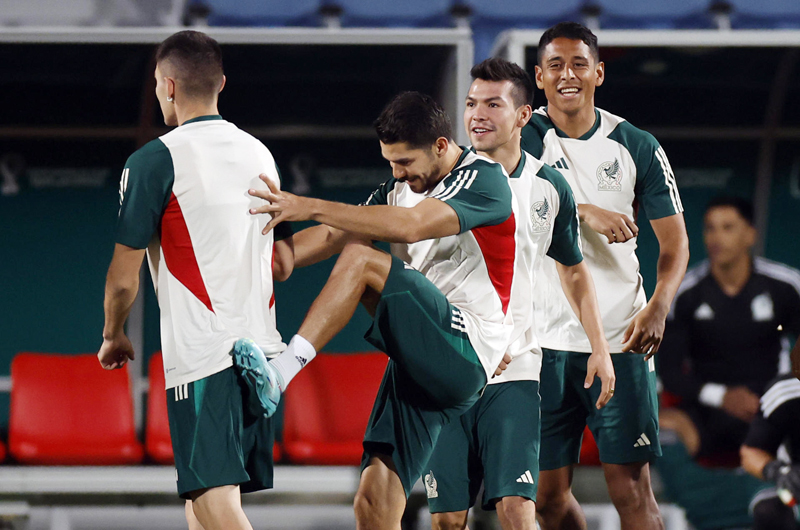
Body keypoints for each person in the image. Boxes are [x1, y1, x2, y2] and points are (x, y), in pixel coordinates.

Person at [241, 91, 603, 530]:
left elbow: (411, 228)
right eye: (390, 162)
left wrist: (309, 203)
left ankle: (279, 375)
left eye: (405, 162)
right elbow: (296, 256)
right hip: (424, 358)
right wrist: (270, 237)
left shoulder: (485, 178)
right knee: (373, 502)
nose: (397, 173)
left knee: (362, 260)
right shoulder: (396, 189)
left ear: (440, 145)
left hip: (472, 349)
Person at [97, 30, 294, 530]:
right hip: (261, 355)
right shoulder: (261, 155)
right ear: (221, 83)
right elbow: (283, 259)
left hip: (207, 356)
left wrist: (113, 334)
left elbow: (124, 278)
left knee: (211, 501)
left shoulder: (153, 161)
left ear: (166, 86)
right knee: (199, 508)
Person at [424, 58, 613, 530]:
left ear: (524, 116)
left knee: (518, 509)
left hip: (518, 372)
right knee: (448, 519)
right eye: (470, 104)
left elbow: (573, 271)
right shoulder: (435, 181)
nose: (477, 115)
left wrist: (600, 347)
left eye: (493, 104)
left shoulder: (549, 187)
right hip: (448, 373)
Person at [521, 22, 690, 530]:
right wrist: (585, 210)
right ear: (538, 76)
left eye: (577, 64)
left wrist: (659, 304)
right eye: (554, 65)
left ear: (598, 72)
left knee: (632, 491)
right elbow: (514, 202)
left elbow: (676, 242)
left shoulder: (636, 144)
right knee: (547, 499)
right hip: (544, 341)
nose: (566, 75)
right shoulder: (520, 136)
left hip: (621, 335)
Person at [655, 196, 800, 529]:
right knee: (661, 429)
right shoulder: (685, 292)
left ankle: (768, 502)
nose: (716, 237)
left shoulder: (785, 286)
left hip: (768, 407)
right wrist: (722, 397)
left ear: (749, 234)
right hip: (709, 409)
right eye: (710, 229)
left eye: (728, 227)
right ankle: (739, 507)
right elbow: (672, 374)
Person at [741, 348, 800, 530]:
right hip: (796, 490)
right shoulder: (785, 393)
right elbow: (750, 452)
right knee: (769, 511)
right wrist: (778, 471)